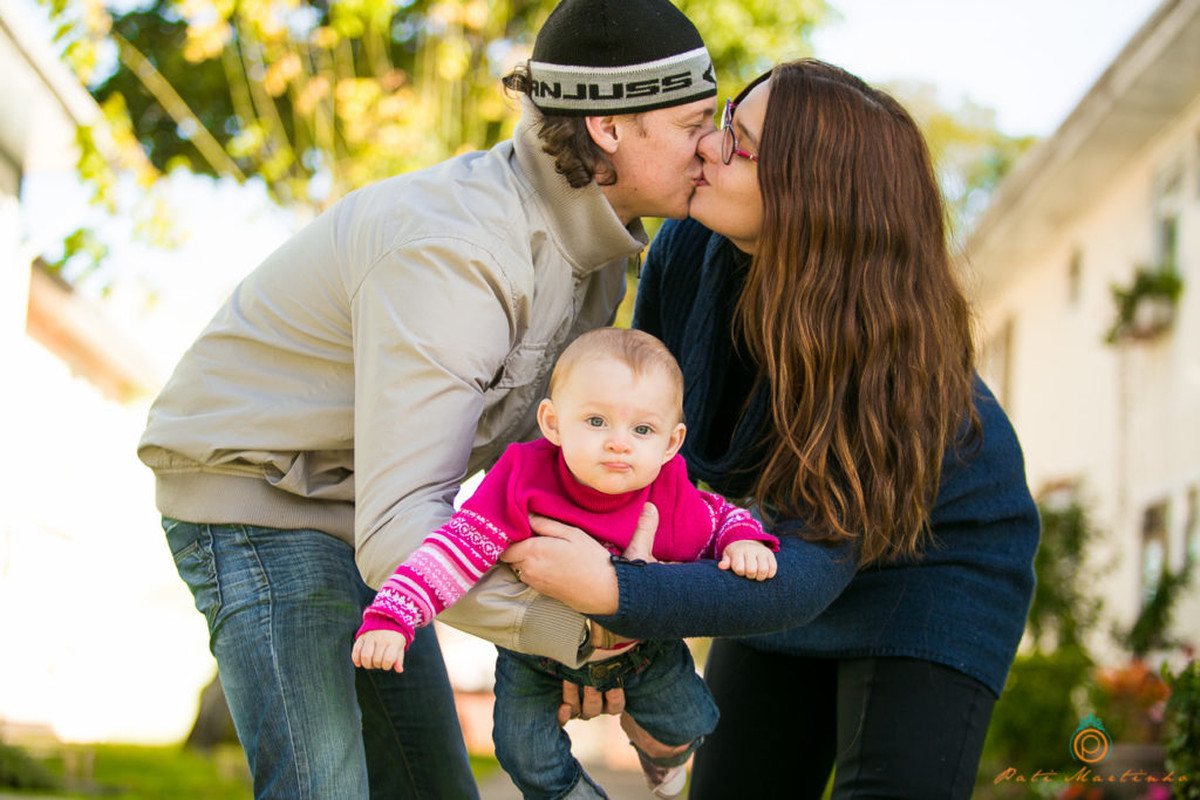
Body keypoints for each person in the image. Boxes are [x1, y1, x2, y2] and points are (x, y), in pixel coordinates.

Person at [135, 0, 719, 795]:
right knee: (325, 786)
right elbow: (399, 528)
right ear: (610, 129)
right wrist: (576, 629)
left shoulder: (594, 251)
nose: (713, 147)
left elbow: (528, 482)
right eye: (696, 123)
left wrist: (600, 616)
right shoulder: (459, 250)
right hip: (260, 494)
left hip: (372, 510)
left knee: (431, 786)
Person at [500, 59, 1041, 799]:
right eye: (726, 125)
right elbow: (651, 470)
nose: (708, 149)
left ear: (810, 196)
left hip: (932, 563)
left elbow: (806, 578)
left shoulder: (883, 356)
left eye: (741, 145)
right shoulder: (687, 254)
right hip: (778, 545)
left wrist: (616, 592)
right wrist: (607, 652)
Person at [353, 327, 777, 798]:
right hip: (538, 655)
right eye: (597, 421)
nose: (620, 443)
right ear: (553, 423)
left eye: (642, 430)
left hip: (642, 649)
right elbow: (455, 549)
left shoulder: (669, 486)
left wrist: (744, 541)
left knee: (689, 722)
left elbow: (719, 518)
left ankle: (660, 754)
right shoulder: (522, 477)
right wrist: (392, 617)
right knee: (522, 751)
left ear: (671, 443)